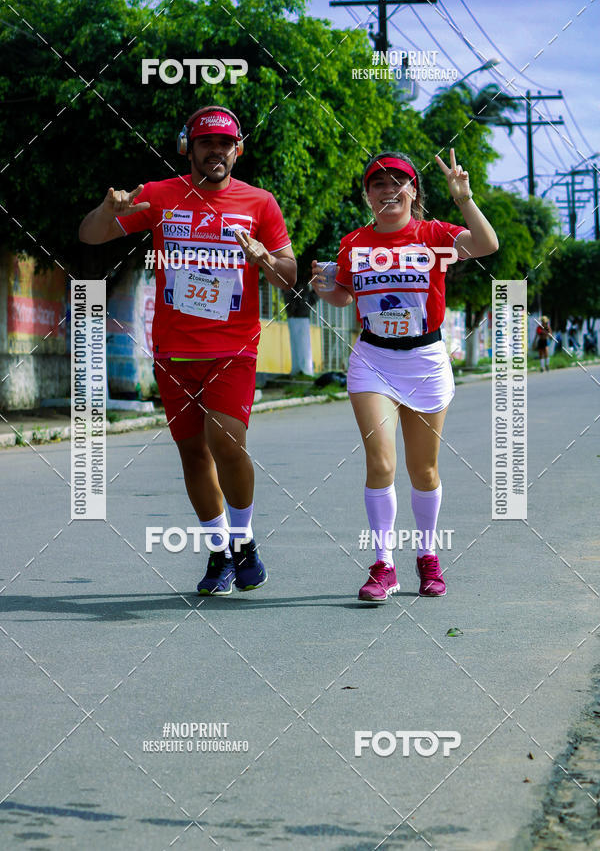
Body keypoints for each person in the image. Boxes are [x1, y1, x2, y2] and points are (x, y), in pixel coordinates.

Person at [79, 105, 296, 595]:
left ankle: (244, 542)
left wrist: (263, 257)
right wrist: (107, 211)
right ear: (189, 148)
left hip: (232, 349)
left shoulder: (260, 203)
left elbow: (289, 275)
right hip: (173, 353)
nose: (215, 151)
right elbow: (89, 235)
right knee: (193, 456)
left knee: (227, 443)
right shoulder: (159, 197)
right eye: (206, 143)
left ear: (237, 150)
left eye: (224, 144)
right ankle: (221, 554)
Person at [312, 149, 498, 602]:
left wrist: (464, 199)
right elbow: (343, 296)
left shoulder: (434, 234)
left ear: (414, 191)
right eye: (378, 183)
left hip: (426, 362)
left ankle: (428, 556)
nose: (388, 189)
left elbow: (487, 244)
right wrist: (325, 287)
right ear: (366, 195)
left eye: (398, 181)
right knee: (381, 464)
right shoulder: (353, 242)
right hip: (373, 360)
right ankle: (384, 565)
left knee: (424, 470)